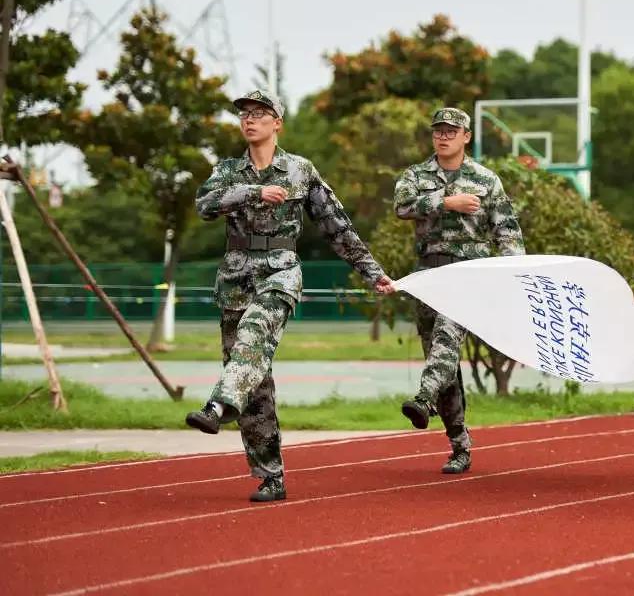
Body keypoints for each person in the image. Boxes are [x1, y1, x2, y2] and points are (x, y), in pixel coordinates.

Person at [185, 89, 395, 502]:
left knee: (255, 332)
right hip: (234, 277)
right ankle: (270, 475)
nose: (250, 121)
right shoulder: (228, 169)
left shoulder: (300, 170)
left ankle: (218, 405)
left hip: (281, 271)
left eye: (260, 114)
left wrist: (373, 273)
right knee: (254, 379)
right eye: (245, 114)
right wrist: (251, 192)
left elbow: (337, 226)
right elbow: (205, 205)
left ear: (277, 123)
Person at [393, 107, 524, 474]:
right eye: (439, 131)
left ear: (467, 136)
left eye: (452, 131)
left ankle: (423, 397)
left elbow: (507, 232)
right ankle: (459, 444)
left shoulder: (485, 180)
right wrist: (445, 202)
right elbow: (401, 207)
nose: (444, 136)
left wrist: (516, 272)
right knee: (441, 356)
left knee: (447, 337)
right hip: (429, 275)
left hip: (470, 275)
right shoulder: (416, 175)